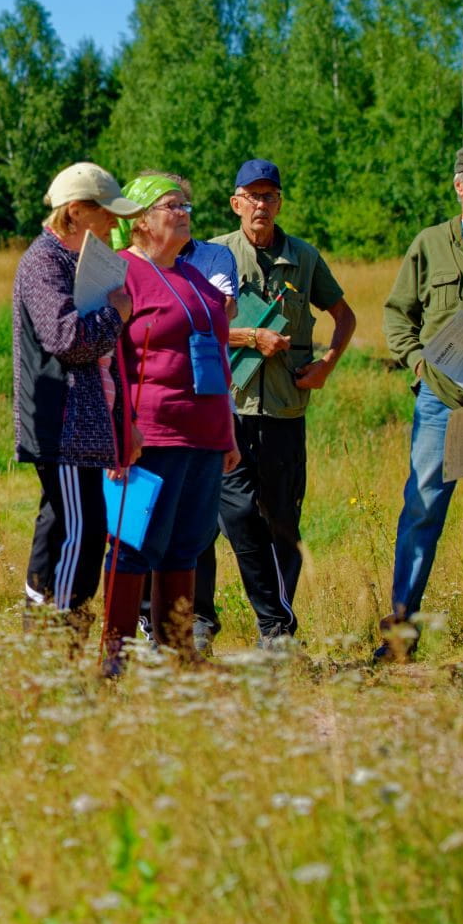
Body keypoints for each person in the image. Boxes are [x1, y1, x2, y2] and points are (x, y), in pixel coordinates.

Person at [201, 160, 356, 650]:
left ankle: (276, 631)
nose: (261, 205)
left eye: (270, 195)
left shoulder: (304, 258)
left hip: (286, 411)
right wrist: (249, 335)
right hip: (227, 408)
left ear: (279, 202)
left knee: (283, 522)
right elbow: (193, 323)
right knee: (228, 515)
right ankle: (207, 621)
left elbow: (344, 315)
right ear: (236, 203)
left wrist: (327, 364)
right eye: (252, 195)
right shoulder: (213, 255)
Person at [376, 143, 463, 662]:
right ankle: (399, 634)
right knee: (423, 507)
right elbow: (397, 314)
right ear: (460, 185)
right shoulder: (431, 244)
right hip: (442, 403)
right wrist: (416, 365)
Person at [104, 174, 239, 670]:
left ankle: (177, 656)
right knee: (133, 543)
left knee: (187, 545)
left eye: (186, 205)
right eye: (170, 205)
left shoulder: (195, 277)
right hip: (150, 433)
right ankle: (113, 657)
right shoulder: (120, 274)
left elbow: (218, 358)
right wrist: (120, 430)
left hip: (204, 433)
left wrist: (226, 431)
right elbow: (109, 359)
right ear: (140, 220)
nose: (183, 212)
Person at [12, 163, 141, 640]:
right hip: (60, 424)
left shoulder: (76, 260)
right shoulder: (44, 262)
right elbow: (66, 338)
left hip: (84, 424)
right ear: (74, 212)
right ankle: (58, 638)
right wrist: (117, 312)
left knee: (66, 529)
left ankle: (50, 639)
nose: (113, 224)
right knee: (79, 534)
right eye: (105, 213)